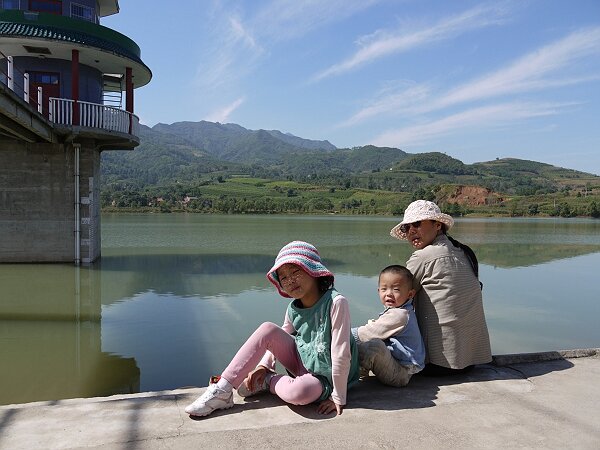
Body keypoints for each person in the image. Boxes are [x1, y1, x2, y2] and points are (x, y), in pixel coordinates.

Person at [184, 241, 359, 418]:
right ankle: (223, 389)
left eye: (296, 272)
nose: (290, 280)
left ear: (313, 270)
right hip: (302, 362)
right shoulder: (293, 308)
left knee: (300, 393)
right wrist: (263, 365)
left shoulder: (336, 302)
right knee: (268, 329)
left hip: (325, 378)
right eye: (283, 278)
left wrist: (338, 397)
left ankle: (268, 382)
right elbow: (277, 338)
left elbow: (340, 353)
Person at [390, 200, 492, 376]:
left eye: (417, 224)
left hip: (438, 363)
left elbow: (395, 301)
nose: (411, 231)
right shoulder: (464, 252)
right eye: (407, 228)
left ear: (437, 225)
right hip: (472, 360)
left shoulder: (423, 257)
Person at [351, 265, 425, 387]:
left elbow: (366, 333)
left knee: (373, 345)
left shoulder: (400, 315)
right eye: (384, 289)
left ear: (410, 294)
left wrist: (340, 334)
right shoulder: (399, 310)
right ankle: (359, 369)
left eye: (396, 289)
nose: (389, 294)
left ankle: (352, 372)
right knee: (368, 341)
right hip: (396, 364)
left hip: (401, 374)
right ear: (378, 291)